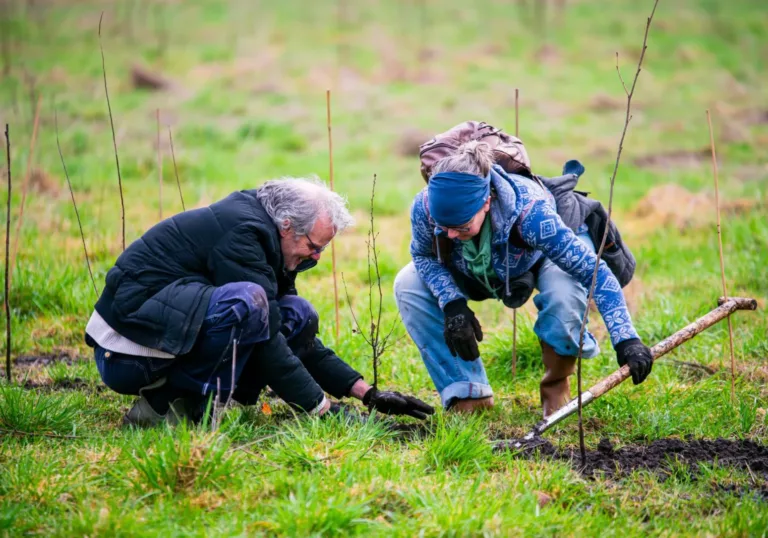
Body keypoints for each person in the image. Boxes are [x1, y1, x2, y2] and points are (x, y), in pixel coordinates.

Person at [85, 177, 434, 426]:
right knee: (249, 303)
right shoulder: (243, 235)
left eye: (323, 248)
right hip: (127, 355)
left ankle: (191, 399)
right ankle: (165, 406)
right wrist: (323, 409)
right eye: (314, 246)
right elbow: (267, 339)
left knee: (297, 313)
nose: (317, 256)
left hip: (163, 338)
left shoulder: (270, 241)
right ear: (286, 226)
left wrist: (365, 392)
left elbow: (295, 338)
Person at [394, 141, 653, 416]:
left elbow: (595, 273)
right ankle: (467, 394)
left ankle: (556, 388)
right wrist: (452, 303)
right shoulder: (425, 206)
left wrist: (627, 340)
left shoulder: (530, 213)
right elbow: (423, 256)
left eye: (460, 226)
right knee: (408, 283)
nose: (450, 235)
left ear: (486, 202)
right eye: (442, 228)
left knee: (564, 294)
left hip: (542, 256)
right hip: (475, 265)